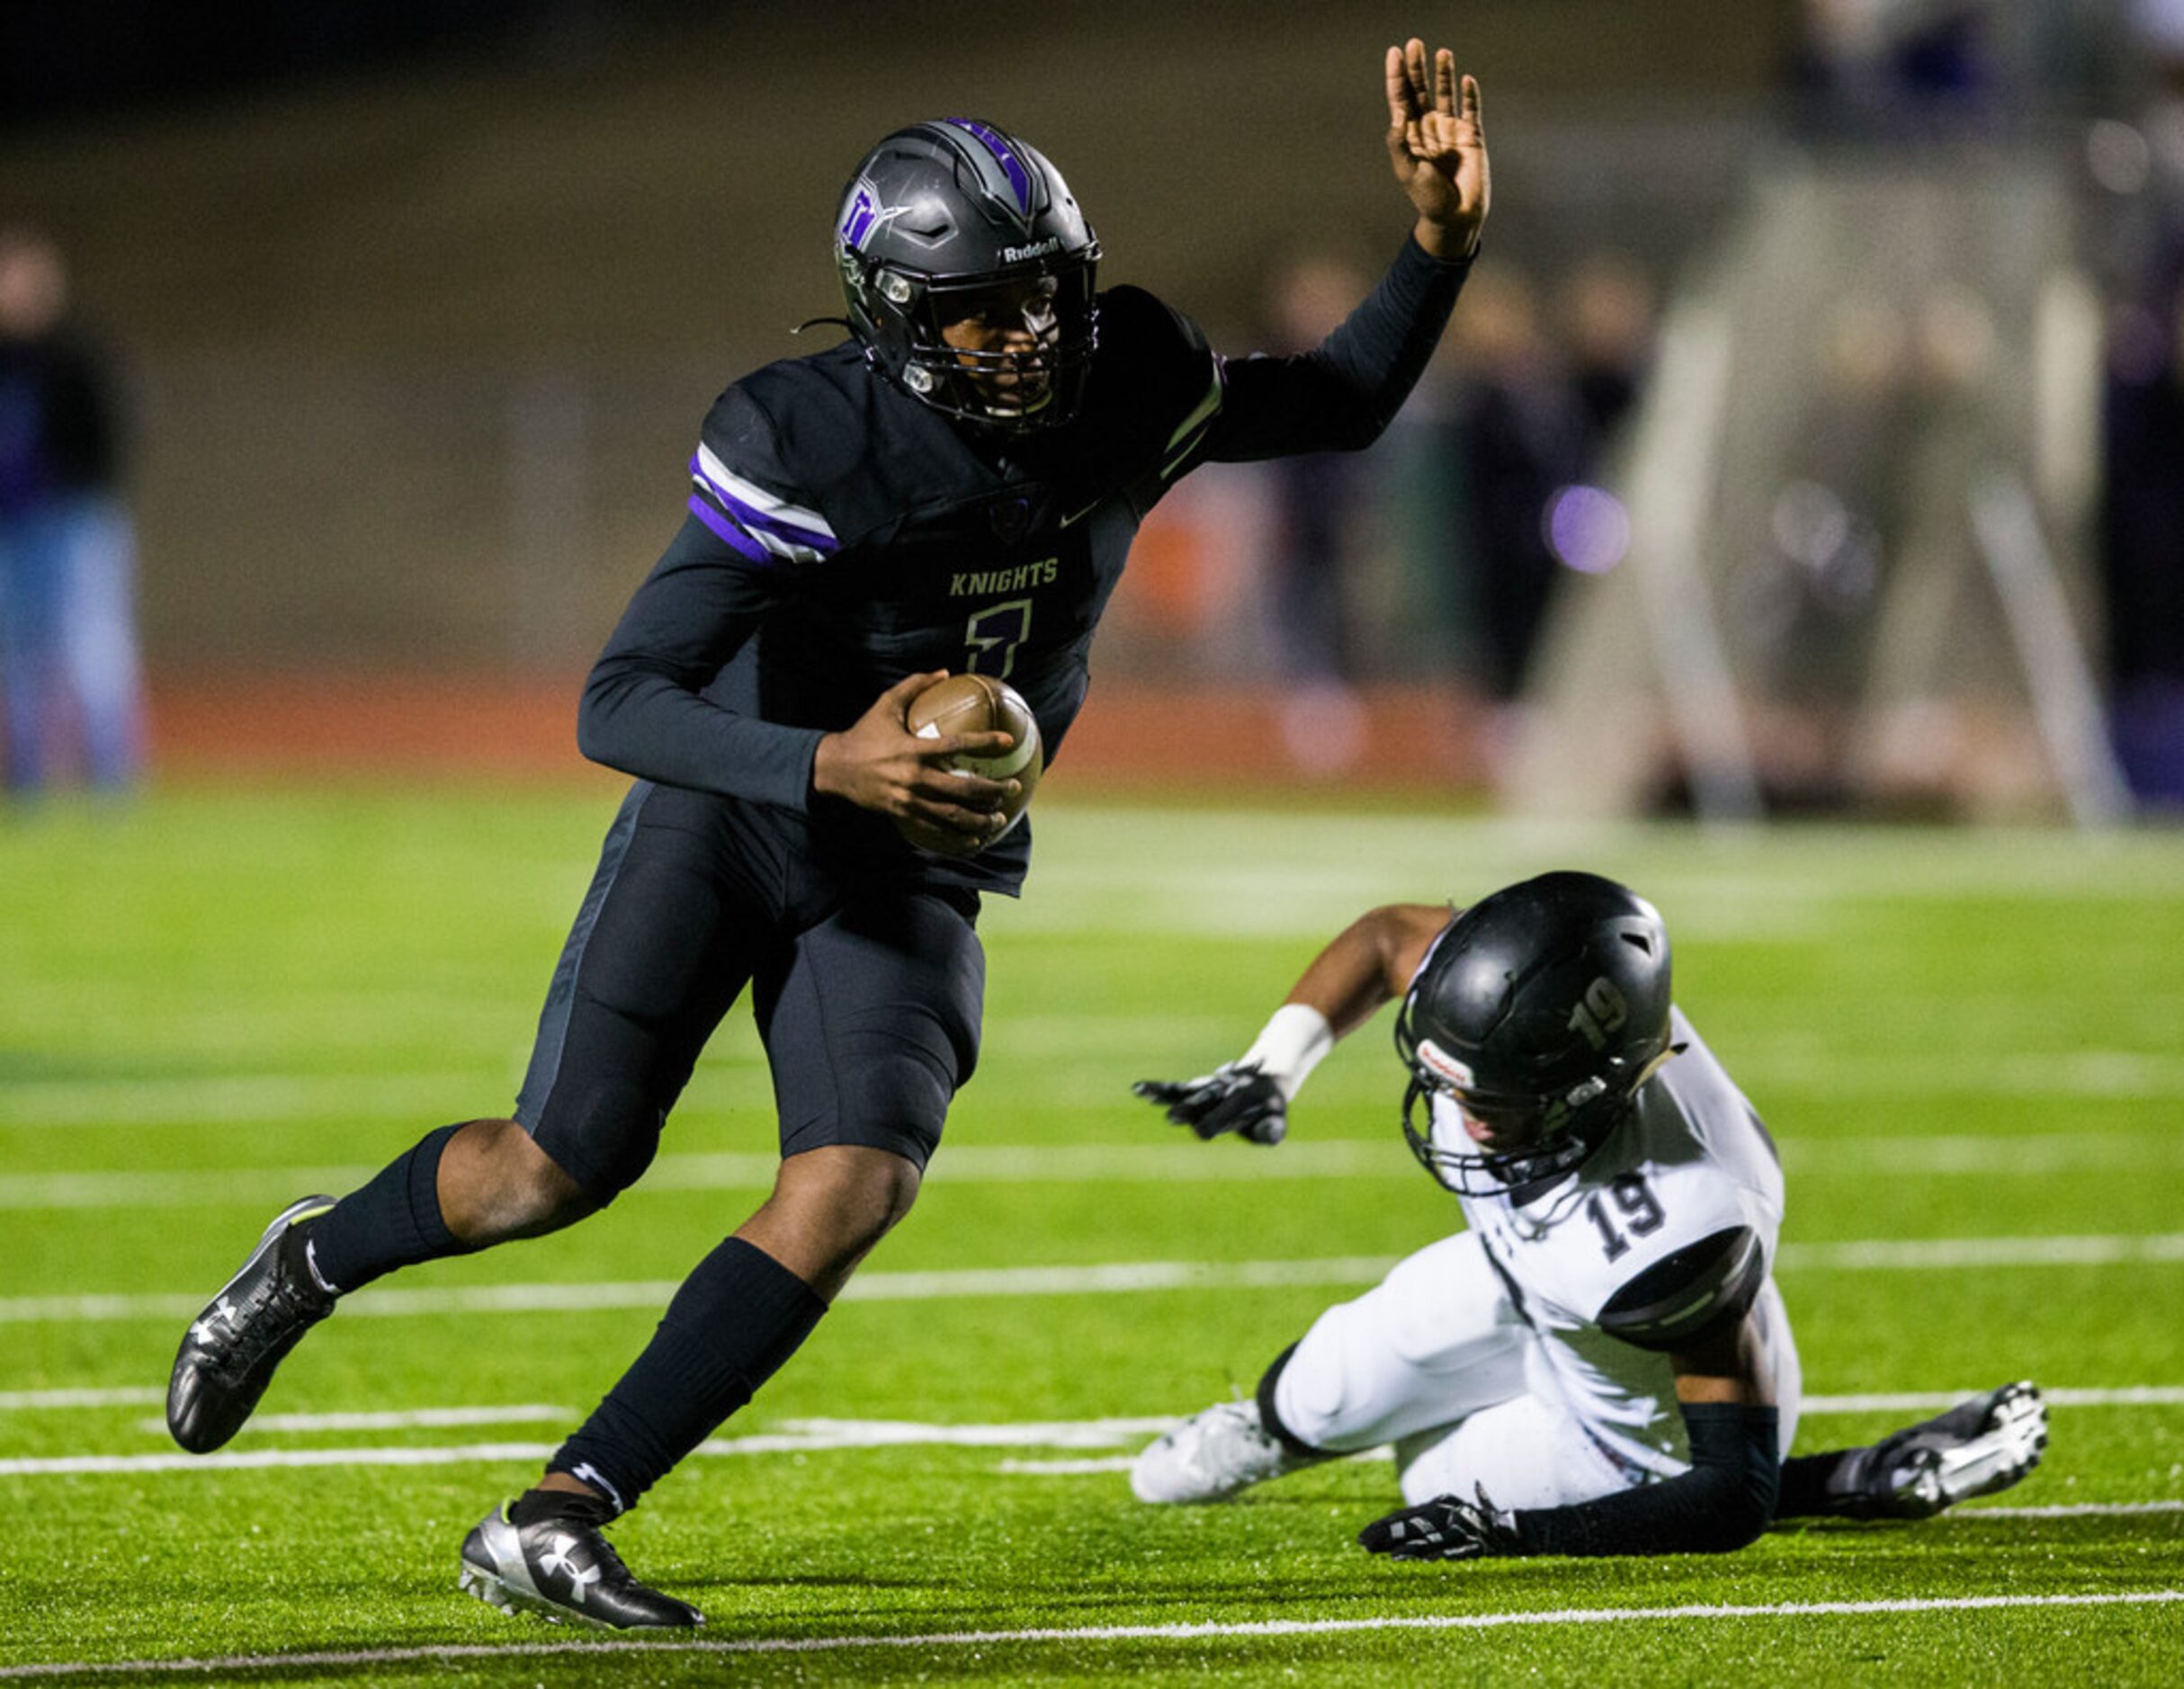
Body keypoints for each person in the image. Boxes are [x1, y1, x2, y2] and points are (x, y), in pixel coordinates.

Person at [163, 42, 1491, 1628]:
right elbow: (617, 697)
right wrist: (822, 763)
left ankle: (561, 1505)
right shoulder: (807, 443)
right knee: (552, 1166)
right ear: (891, 319)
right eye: (977, 311)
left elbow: (1335, 401)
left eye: (1046, 292)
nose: (1027, 338)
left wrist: (1437, 246)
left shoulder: (1132, 377)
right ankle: (310, 1260)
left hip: (915, 851)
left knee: (857, 1175)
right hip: (736, 812)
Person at [1130, 871, 2046, 1560]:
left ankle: (1858, 1475)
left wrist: (1515, 1532)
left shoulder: (1688, 1225)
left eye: (1496, 1100)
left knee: (1428, 1475)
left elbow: (1731, 1493)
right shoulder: (1529, 1016)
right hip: (1533, 1283)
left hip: (1634, 1431)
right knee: (1325, 1382)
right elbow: (1387, 937)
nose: (1465, 1117)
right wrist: (1273, 1064)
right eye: (1451, 1081)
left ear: (1593, 1087)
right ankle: (1269, 1429)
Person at [0, 226, 145, 798]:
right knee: (15, 655)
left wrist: (55, 481)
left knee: (92, 647)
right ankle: (26, 784)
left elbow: (107, 444)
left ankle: (111, 782)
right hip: (8, 527)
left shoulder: (76, 356)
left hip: (73, 523)